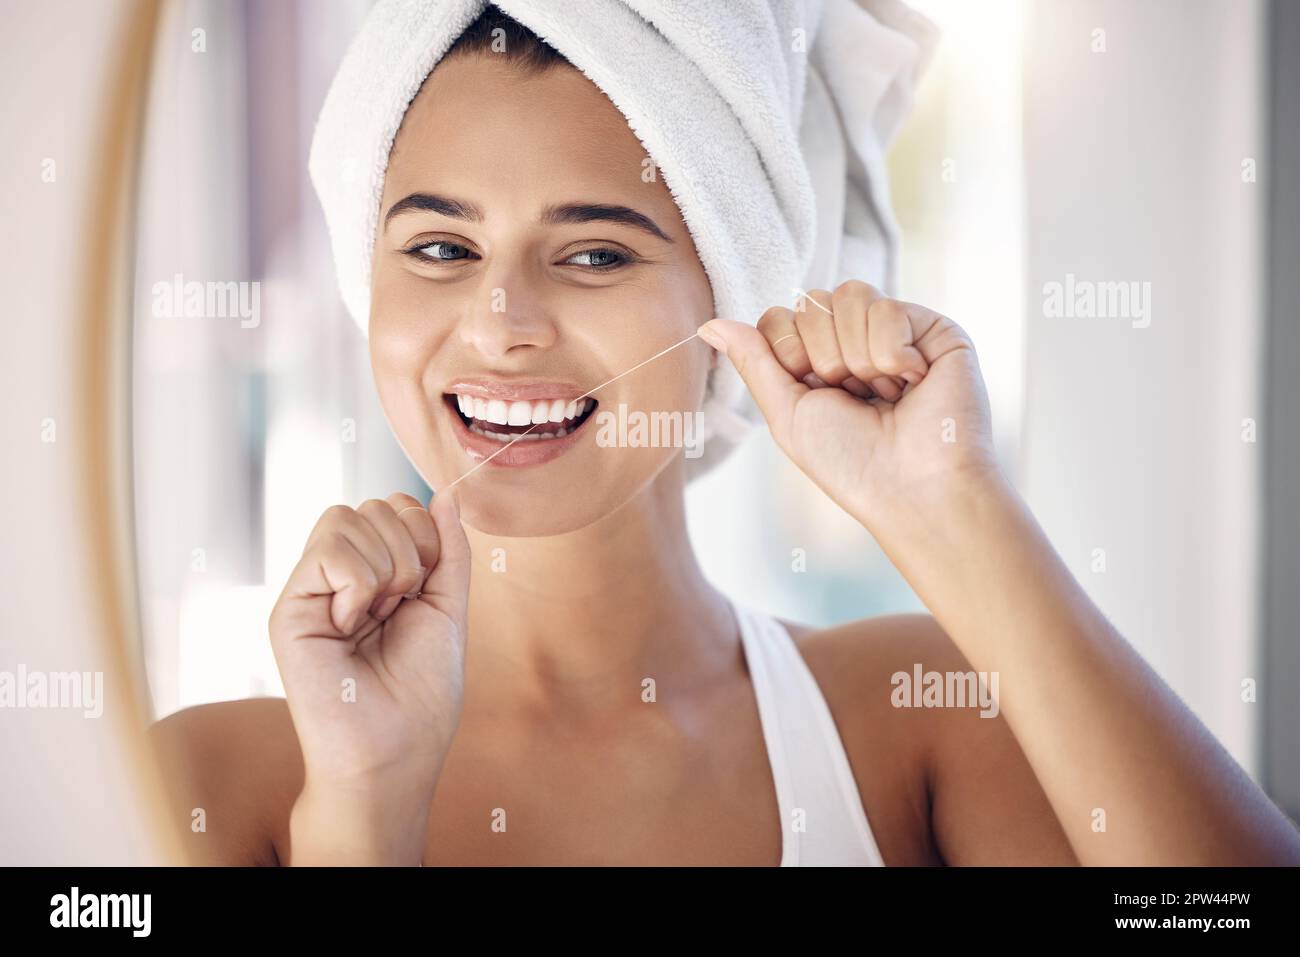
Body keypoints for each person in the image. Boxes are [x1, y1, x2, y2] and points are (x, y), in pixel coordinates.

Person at [150, 5, 1300, 866]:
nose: (499, 324)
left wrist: (951, 504)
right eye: (441, 250)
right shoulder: (222, 781)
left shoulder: (910, 724)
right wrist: (364, 811)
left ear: (731, 303)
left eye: (595, 252)